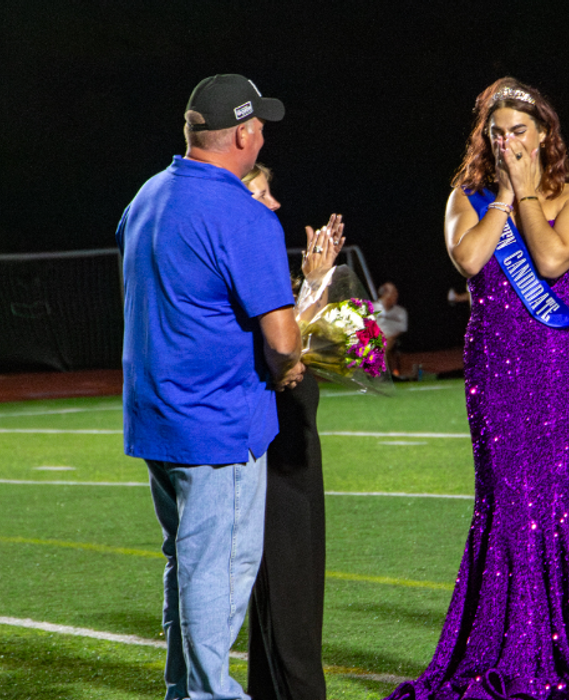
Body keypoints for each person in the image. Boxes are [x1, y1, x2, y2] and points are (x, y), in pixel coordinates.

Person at [385, 77, 569, 700]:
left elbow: (552, 261)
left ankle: (560, 648)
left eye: (519, 131)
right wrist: (503, 195)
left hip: (555, 365)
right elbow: (469, 260)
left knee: (556, 500)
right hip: (496, 364)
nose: (507, 141)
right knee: (505, 500)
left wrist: (528, 194)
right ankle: (496, 647)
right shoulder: (465, 198)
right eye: (496, 133)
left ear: (544, 134)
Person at [116, 73, 303, 700]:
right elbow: (281, 341)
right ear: (245, 134)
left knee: (187, 568)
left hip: (156, 420)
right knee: (216, 574)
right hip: (217, 425)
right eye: (260, 127)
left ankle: (184, 691)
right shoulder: (241, 214)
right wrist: (292, 367)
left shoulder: (145, 197)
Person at [241, 162, 344, 700]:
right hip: (275, 444)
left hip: (297, 439)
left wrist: (316, 280)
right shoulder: (241, 257)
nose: (275, 202)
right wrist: (290, 361)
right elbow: (282, 351)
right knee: (289, 598)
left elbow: (295, 335)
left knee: (293, 593)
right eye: (262, 192)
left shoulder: (257, 258)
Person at [374, 282, 408, 377]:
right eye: (393, 293)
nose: (396, 296)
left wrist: (390, 337)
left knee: (384, 343)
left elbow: (402, 329)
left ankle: (382, 373)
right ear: (385, 295)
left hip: (392, 338)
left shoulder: (400, 312)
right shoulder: (372, 308)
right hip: (374, 336)